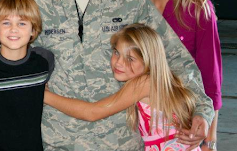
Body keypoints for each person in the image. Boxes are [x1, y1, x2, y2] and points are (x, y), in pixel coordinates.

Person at [30, 0, 214, 150]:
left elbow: (174, 56)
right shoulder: (38, 4)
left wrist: (201, 110)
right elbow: (0, 57)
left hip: (120, 140)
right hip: (59, 140)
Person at [135, 0, 223, 151]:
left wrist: (209, 141)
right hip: (136, 130)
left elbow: (211, 80)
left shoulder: (198, 9)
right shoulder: (133, 8)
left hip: (181, 132)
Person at [44, 23, 201, 151]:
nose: (119, 62)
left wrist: (45, 96)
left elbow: (92, 112)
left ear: (149, 61)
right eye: (116, 53)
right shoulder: (158, 81)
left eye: (130, 59)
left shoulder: (144, 83)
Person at [0, 0, 54, 151]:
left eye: (22, 24)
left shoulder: (43, 61)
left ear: (33, 30)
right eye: (6, 23)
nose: (13, 29)